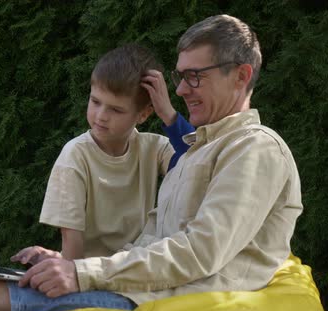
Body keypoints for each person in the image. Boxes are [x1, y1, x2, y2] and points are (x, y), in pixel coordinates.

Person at [0, 14, 303, 311]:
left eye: (194, 76)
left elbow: (199, 253)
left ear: (241, 75)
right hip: (142, 286)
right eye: (181, 76)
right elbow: (153, 240)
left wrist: (82, 272)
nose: (181, 89)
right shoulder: (198, 151)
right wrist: (69, 266)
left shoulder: (255, 148)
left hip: (171, 299)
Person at [11, 44, 194, 264]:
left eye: (116, 110)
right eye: (95, 101)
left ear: (144, 114)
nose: (101, 116)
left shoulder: (154, 148)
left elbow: (199, 160)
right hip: (92, 275)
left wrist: (169, 114)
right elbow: (73, 255)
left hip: (136, 271)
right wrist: (61, 261)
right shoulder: (75, 157)